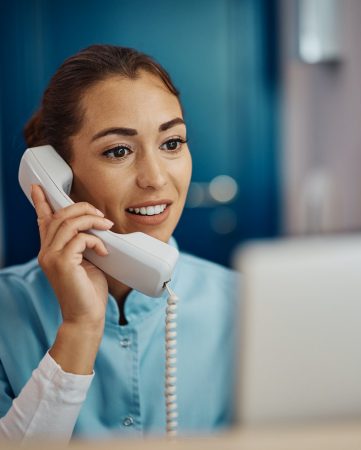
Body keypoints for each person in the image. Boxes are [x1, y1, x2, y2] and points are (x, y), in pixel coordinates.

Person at [0, 44, 237, 442]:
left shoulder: (244, 307)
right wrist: (79, 329)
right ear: (55, 173)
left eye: (172, 143)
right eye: (119, 151)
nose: (156, 178)